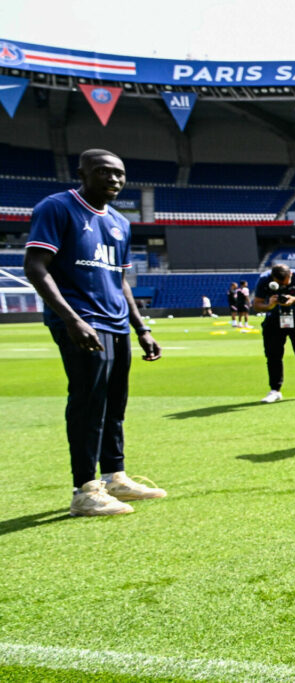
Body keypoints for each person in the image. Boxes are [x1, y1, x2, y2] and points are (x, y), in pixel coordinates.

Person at [23, 148, 167, 517]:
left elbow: (121, 281)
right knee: (88, 403)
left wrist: (142, 328)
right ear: (82, 173)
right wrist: (71, 319)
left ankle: (115, 476)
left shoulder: (120, 221)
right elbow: (36, 267)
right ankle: (84, 489)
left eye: (120, 174)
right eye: (105, 172)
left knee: (114, 403)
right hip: (83, 320)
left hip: (116, 322)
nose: (115, 179)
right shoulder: (56, 207)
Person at [252, 264, 295, 403]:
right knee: (273, 356)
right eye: (280, 283)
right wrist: (269, 306)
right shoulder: (264, 279)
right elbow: (256, 304)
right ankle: (275, 390)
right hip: (274, 319)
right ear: (273, 279)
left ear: (290, 275)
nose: (284, 285)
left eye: (286, 282)